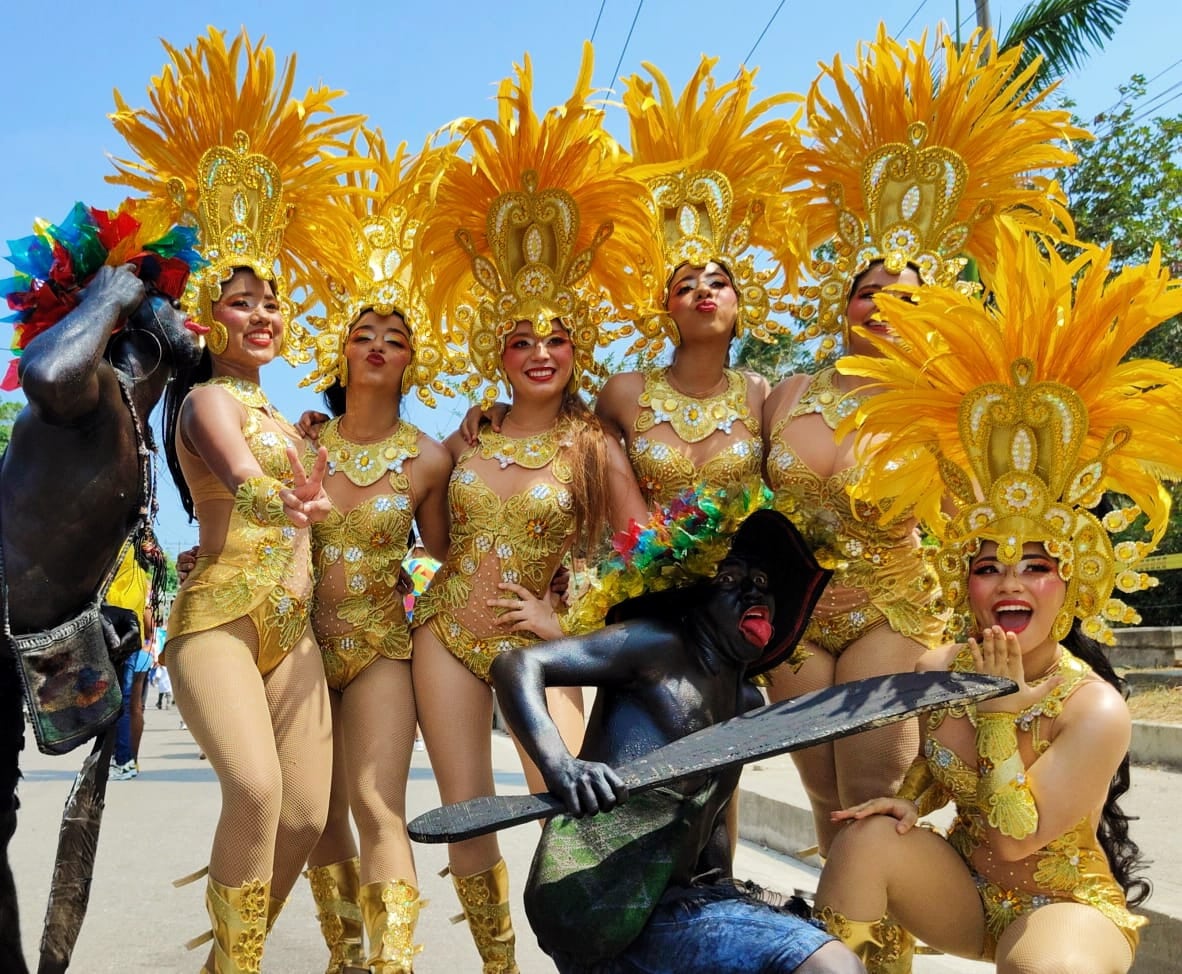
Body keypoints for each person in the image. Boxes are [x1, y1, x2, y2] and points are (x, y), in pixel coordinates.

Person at [811, 222, 1182, 973]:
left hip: (1063, 908)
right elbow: (936, 778)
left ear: (1070, 584)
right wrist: (911, 801)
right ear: (965, 583)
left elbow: (1016, 836)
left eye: (1035, 566)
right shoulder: (941, 667)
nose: (1010, 581)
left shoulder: (1094, 707)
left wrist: (1002, 713)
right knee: (863, 838)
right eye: (989, 567)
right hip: (966, 894)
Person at [762, 26, 1087, 856]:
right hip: (794, 622)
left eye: (902, 296)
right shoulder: (785, 394)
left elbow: (989, 519)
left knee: (872, 805)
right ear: (842, 302)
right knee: (822, 800)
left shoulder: (947, 408)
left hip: (892, 612)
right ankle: (840, 925)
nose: (879, 306)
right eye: (865, 291)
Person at [108, 28, 364, 973]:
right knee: (256, 793)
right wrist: (279, 496)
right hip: (218, 620)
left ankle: (227, 960)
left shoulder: (289, 419)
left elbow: (323, 487)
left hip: (292, 632)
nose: (263, 315)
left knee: (305, 814)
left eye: (273, 303)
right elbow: (247, 479)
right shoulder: (209, 400)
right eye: (242, 301)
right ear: (209, 317)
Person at [411, 45, 653, 974]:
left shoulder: (594, 447)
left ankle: (593, 955)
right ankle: (498, 964)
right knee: (468, 813)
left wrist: (570, 623)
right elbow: (419, 509)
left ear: (575, 349)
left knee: (577, 802)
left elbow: (646, 552)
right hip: (445, 634)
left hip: (539, 649)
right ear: (498, 353)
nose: (539, 353)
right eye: (520, 340)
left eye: (555, 339)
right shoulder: (466, 436)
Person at [489, 503, 860, 974]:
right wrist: (560, 765)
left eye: (763, 583)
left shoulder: (745, 702)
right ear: (693, 594)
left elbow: (711, 816)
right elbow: (518, 665)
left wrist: (727, 894)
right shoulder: (657, 647)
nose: (754, 593)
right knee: (830, 964)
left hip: (674, 906)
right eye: (731, 579)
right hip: (595, 900)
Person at [0, 197, 202, 972]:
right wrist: (111, 292)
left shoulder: (131, 420)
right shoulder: (87, 391)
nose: (192, 317)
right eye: (175, 301)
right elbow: (47, 370)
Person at [297, 130, 457, 974]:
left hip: (380, 648)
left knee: (373, 802)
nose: (379, 344)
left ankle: (392, 964)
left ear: (411, 360)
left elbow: (440, 555)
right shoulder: (302, 445)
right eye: (365, 331)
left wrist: (409, 590)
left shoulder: (428, 458)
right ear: (342, 350)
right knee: (318, 813)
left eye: (395, 335)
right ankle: (346, 955)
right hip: (299, 645)